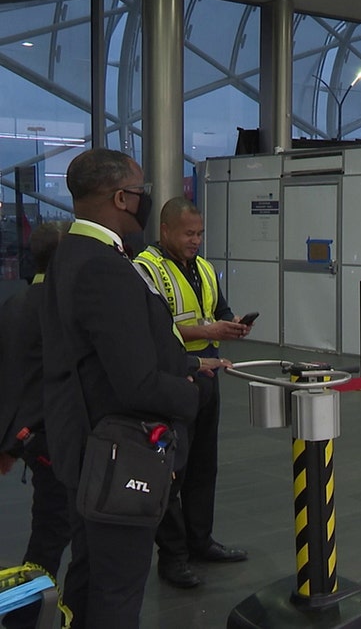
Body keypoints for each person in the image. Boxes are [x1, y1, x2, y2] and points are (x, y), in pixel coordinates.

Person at [40, 149, 227, 627]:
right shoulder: (105, 267)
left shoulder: (68, 255)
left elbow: (102, 352)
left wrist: (184, 360)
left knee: (89, 576)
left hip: (79, 448)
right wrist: (191, 393)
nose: (143, 203)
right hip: (112, 456)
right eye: (140, 193)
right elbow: (136, 381)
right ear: (121, 198)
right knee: (118, 590)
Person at [134, 197, 250, 588]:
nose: (196, 240)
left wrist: (230, 325)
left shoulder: (204, 268)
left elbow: (217, 311)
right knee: (171, 473)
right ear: (165, 230)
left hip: (209, 376)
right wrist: (208, 333)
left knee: (203, 467)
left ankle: (201, 542)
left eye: (199, 233)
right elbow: (153, 332)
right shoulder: (146, 270)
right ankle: (173, 557)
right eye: (188, 233)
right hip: (174, 381)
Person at [0, 222, 71, 629]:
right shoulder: (61, 308)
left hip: (29, 435)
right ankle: (27, 610)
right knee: (52, 526)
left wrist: (9, 441)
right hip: (53, 434)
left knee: (50, 521)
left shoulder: (16, 303)